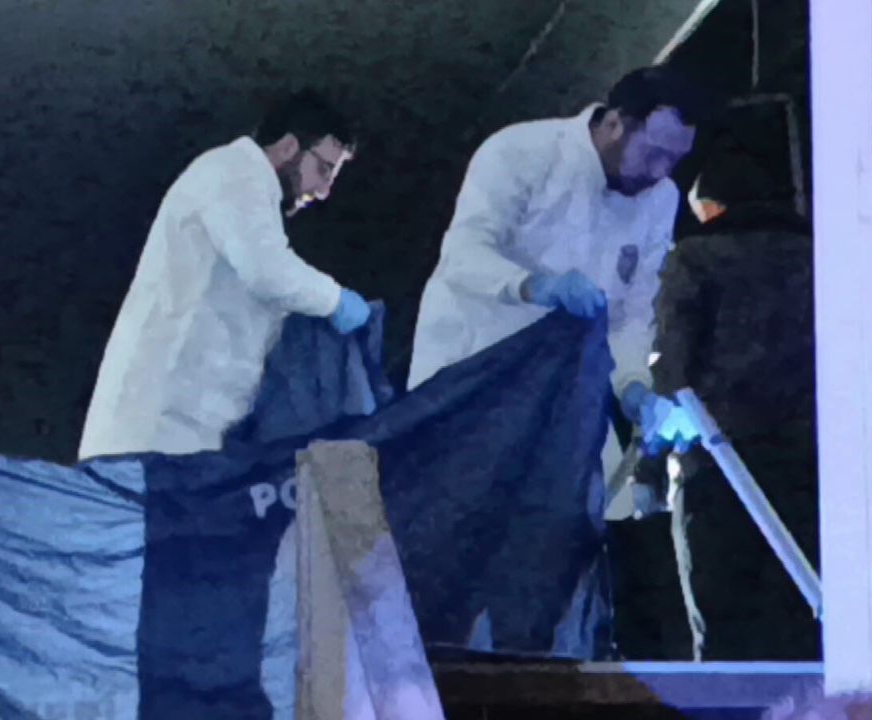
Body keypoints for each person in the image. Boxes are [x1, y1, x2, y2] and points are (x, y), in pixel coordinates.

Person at [408, 66, 712, 484]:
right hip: (471, 367)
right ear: (614, 123)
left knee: (595, 509)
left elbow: (634, 313)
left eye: (674, 160)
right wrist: (533, 286)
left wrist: (633, 384)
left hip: (562, 388)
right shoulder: (519, 151)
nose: (660, 171)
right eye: (653, 153)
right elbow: (463, 253)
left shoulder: (661, 199)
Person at [77, 89, 371, 460]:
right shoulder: (234, 172)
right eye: (324, 169)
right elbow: (267, 272)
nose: (324, 190)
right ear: (288, 147)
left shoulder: (246, 192)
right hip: (158, 423)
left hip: (183, 423)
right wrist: (335, 299)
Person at [645, 146, 818, 661]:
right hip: (813, 461)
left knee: (724, 623)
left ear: (712, 207)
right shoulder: (822, 255)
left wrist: (651, 464)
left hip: (722, 464)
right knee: (805, 617)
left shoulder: (695, 258)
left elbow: (671, 367)